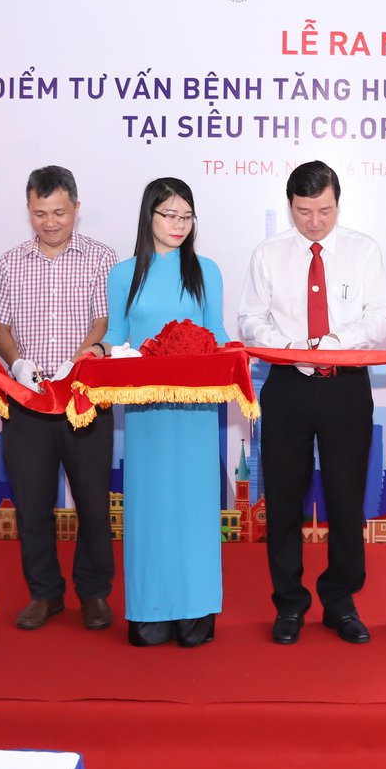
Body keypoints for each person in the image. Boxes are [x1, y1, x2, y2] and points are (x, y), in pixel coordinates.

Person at [238, 161, 386, 645]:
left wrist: (333, 342)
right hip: (286, 386)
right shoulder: (268, 254)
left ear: (337, 202)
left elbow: (379, 318)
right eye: (304, 211)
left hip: (346, 385)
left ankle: (341, 601)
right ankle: (289, 604)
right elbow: (250, 319)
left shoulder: (363, 250)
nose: (314, 222)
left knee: (346, 500)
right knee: (284, 501)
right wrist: (291, 348)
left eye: (324, 210)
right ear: (291, 206)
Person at [98, 178, 228, 648]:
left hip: (194, 410)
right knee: (150, 510)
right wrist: (98, 354)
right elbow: (116, 336)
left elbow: (215, 332)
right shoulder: (123, 273)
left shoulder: (206, 270)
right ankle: (149, 608)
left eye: (186, 216)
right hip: (145, 411)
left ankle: (196, 608)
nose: (178, 225)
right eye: (168, 214)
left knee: (193, 510)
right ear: (148, 216)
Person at [0, 166, 118, 632]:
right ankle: (45, 593)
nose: (50, 222)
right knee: (31, 503)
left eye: (59, 212)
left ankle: (94, 593)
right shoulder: (10, 261)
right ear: (28, 210)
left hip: (84, 400)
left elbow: (106, 321)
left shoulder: (103, 258)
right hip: (27, 399)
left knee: (92, 502)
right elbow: (1, 324)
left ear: (76, 210)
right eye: (40, 212)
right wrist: (17, 361)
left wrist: (83, 359)